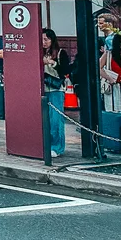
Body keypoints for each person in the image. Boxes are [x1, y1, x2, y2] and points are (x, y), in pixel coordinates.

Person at [42, 29, 71, 158]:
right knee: (43, 120)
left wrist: (53, 63)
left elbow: (65, 70)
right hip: (42, 89)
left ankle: (57, 147)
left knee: (56, 120)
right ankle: (45, 145)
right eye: (42, 39)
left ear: (52, 40)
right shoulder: (39, 53)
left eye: (46, 39)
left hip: (55, 90)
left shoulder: (60, 53)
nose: (44, 42)